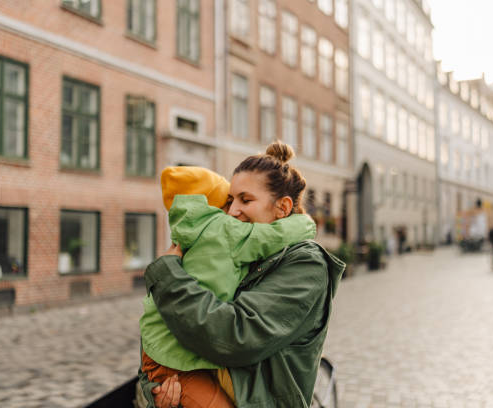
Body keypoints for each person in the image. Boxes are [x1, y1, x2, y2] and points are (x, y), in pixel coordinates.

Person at [140, 141, 345, 408]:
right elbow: (161, 328)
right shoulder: (234, 249)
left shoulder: (306, 264)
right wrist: (155, 390)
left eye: (245, 200)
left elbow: (235, 336)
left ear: (282, 208)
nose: (232, 210)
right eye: (229, 200)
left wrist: (167, 275)